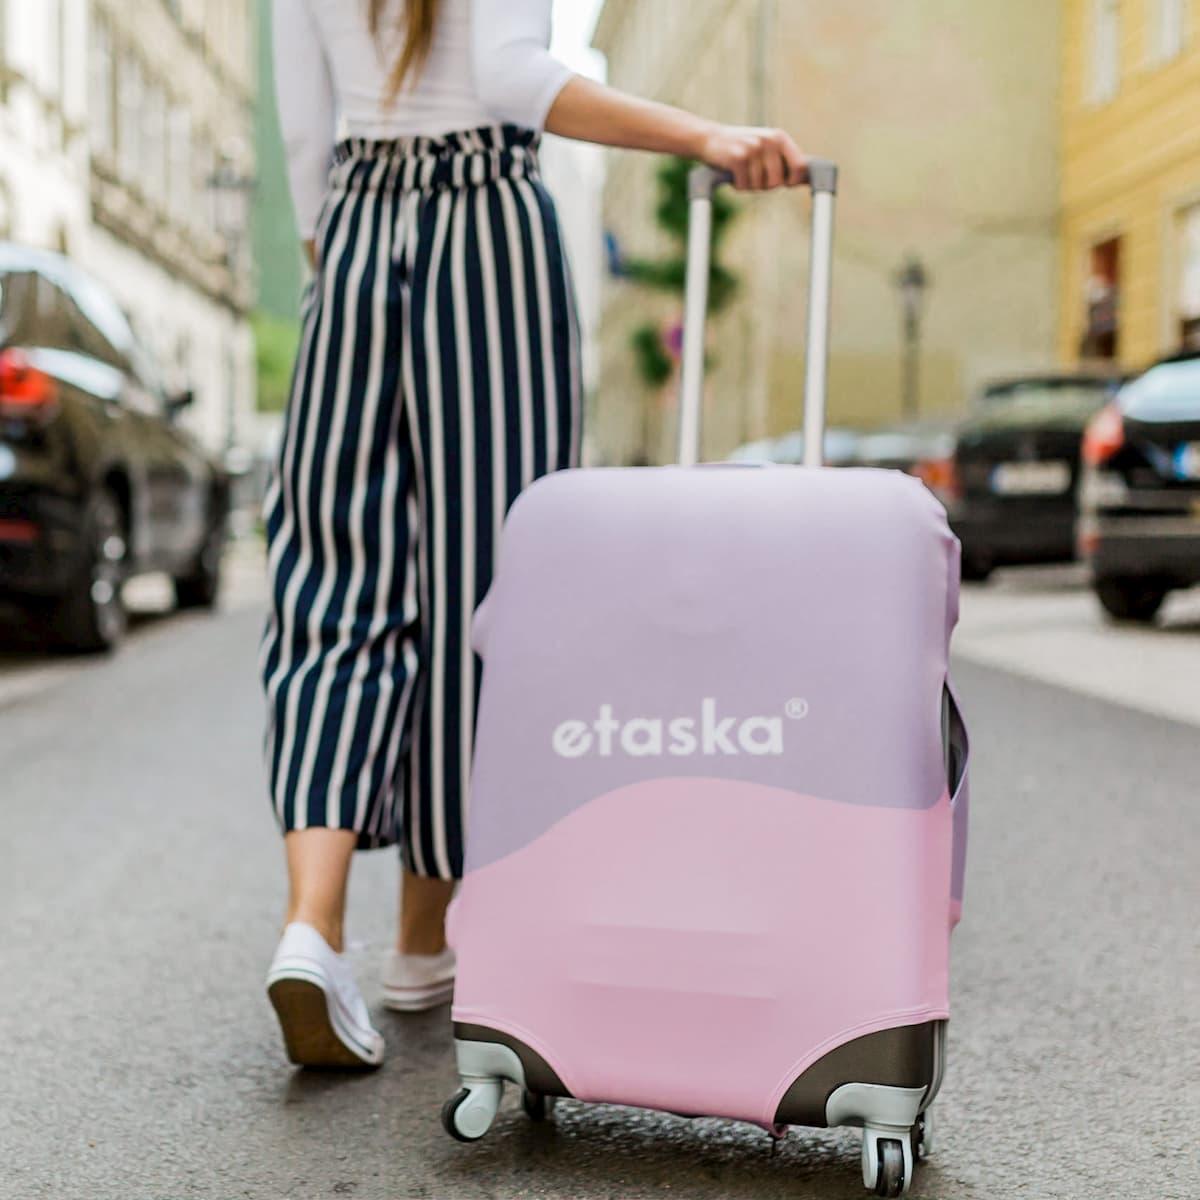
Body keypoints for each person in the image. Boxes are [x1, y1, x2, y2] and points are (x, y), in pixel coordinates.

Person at [262, 0, 808, 1069]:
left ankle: (311, 928)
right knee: (483, 586)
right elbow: (511, 76)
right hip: (486, 238)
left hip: (355, 230)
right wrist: (703, 134)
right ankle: (422, 940)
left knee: (332, 579)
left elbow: (300, 130)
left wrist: (343, 259)